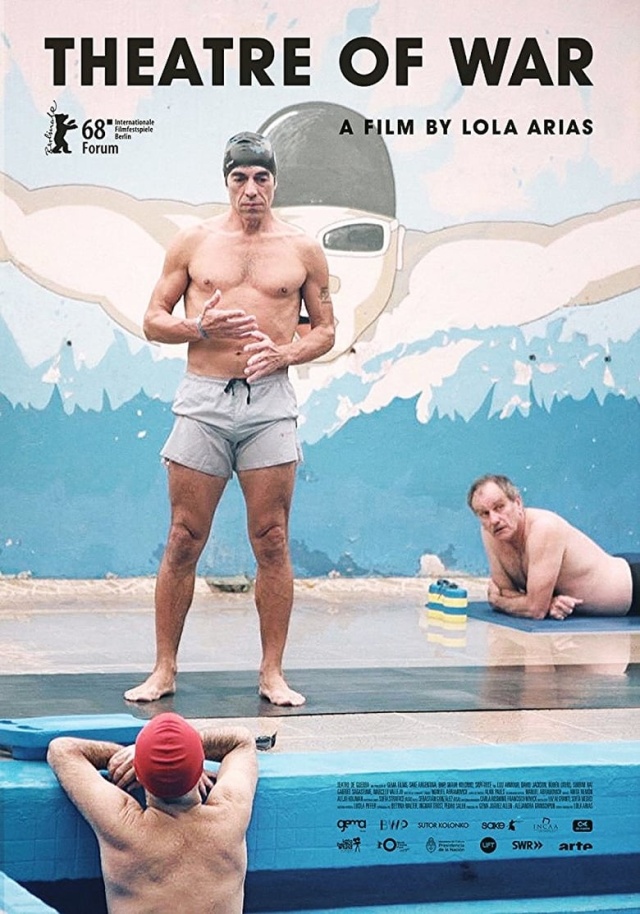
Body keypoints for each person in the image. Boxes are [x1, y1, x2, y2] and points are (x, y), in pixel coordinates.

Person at [123, 132, 335, 706]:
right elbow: (152, 319)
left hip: (269, 403)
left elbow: (325, 330)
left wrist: (286, 353)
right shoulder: (194, 242)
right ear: (227, 182)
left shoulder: (303, 250)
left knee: (272, 539)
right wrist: (199, 328)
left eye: (260, 178)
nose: (251, 190)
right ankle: (164, 669)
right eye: (240, 178)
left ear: (274, 183)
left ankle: (272, 673)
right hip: (204, 400)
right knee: (183, 537)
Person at [47, 712, 259, 914]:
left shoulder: (122, 825)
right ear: (200, 766)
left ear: (138, 773)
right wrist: (183, 753)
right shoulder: (230, 814)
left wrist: (141, 755)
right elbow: (242, 741)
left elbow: (62, 750)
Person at [467, 474, 639, 620]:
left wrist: (500, 603)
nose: (494, 519)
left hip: (632, 586)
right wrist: (548, 603)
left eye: (499, 507)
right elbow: (505, 591)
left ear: (518, 503)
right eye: (484, 513)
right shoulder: (490, 532)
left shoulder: (543, 528)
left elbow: (534, 609)